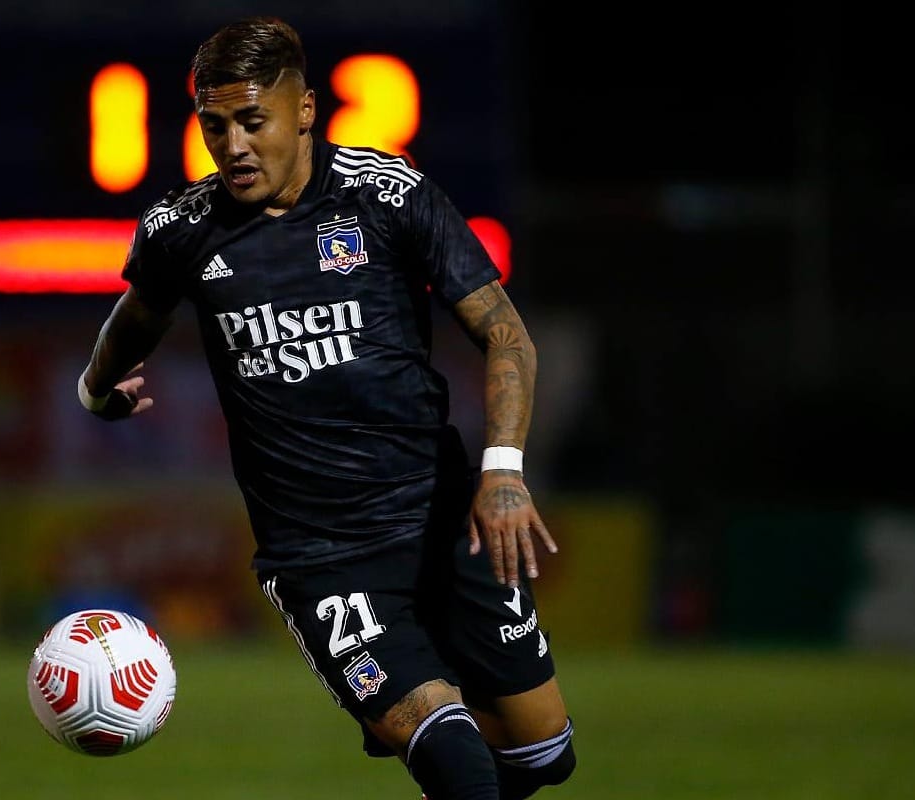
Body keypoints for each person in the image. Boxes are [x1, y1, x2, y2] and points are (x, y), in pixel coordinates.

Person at [78, 16, 575, 800]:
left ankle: (428, 709)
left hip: (444, 517)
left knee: (544, 755)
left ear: (304, 110)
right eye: (215, 126)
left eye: (252, 121)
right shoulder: (184, 229)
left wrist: (503, 473)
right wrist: (94, 388)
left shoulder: (388, 198)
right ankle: (412, 712)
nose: (233, 145)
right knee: (451, 758)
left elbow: (508, 335)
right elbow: (134, 317)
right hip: (320, 559)